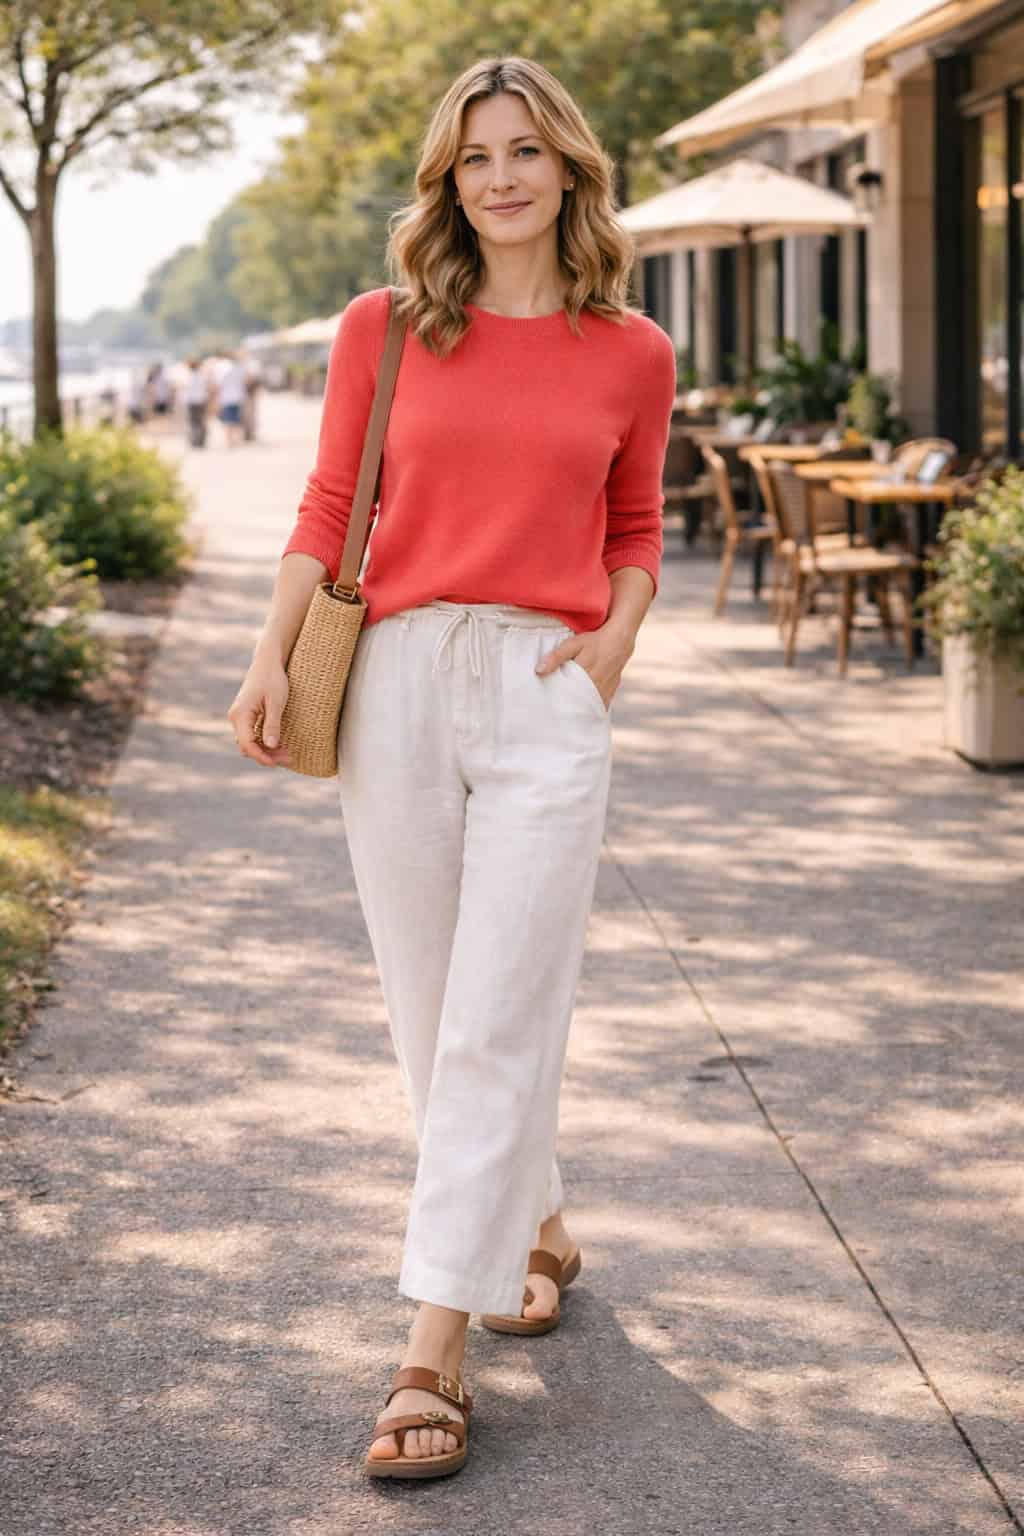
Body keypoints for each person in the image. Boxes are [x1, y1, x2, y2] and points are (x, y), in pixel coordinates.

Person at [226, 55, 675, 1482]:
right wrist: (265, 654)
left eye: (526, 150)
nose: (500, 177)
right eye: (474, 155)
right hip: (401, 684)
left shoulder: (635, 351)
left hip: (546, 693)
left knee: (499, 1006)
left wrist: (606, 653)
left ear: (570, 170)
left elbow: (638, 527)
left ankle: (433, 1348)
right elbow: (322, 503)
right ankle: (530, 1220)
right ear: (447, 178)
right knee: (434, 1013)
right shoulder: (388, 329)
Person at [216, 351, 247, 447]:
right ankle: (236, 439)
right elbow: (246, 381)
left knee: (228, 420)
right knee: (236, 419)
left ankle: (229, 440)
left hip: (227, 397)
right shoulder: (239, 368)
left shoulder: (224, 368)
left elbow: (219, 383)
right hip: (238, 396)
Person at [183, 357, 211, 448]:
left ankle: (194, 441)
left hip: (191, 402)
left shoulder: (187, 376)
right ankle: (201, 441)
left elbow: (184, 390)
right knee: (201, 421)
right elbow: (207, 388)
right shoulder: (202, 376)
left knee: (193, 422)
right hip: (202, 401)